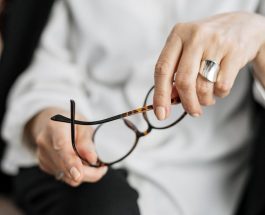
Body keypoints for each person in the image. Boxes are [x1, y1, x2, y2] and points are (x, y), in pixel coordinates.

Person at [1, 0, 265, 214]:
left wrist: (259, 36)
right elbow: (49, 69)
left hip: (211, 179)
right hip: (85, 169)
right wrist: (46, 118)